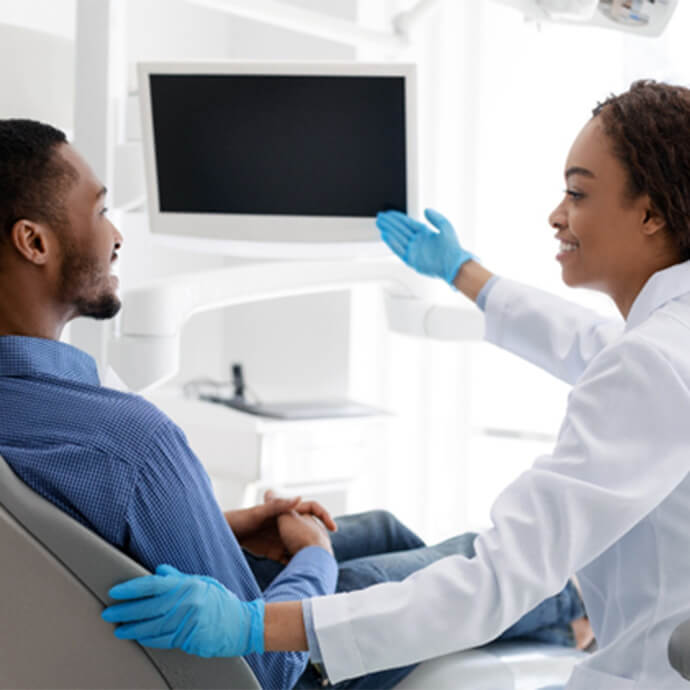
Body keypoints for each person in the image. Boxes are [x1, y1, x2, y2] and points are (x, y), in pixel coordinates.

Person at [103, 79, 690, 689]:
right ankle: (567, 609)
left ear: (649, 214)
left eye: (577, 193)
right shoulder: (666, 340)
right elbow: (587, 342)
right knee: (386, 531)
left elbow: (495, 582)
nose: (556, 214)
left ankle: (567, 607)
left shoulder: (650, 362)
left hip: (642, 672)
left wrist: (254, 627)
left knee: (456, 560)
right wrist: (464, 272)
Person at [0, 119, 588, 690]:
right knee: (479, 565)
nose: (117, 236)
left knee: (381, 529)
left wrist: (216, 524)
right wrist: (315, 556)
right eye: (102, 211)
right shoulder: (129, 442)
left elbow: (59, 547)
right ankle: (576, 612)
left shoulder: (44, 422)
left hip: (89, 636)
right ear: (34, 241)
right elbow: (272, 666)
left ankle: (524, 624)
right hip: (273, 669)